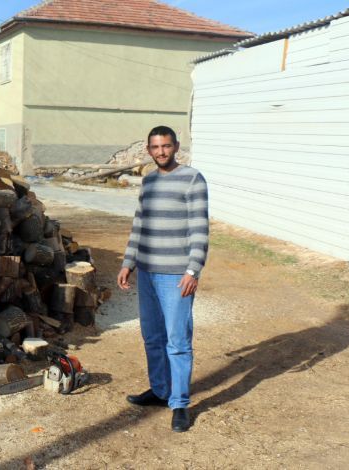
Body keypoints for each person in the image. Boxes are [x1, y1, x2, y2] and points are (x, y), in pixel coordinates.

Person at [117, 125, 209, 433]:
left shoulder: (193, 179)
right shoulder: (150, 180)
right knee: (152, 337)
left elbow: (199, 229)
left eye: (166, 146)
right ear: (149, 149)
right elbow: (139, 226)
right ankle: (159, 390)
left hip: (177, 277)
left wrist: (193, 270)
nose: (161, 152)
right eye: (155, 147)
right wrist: (128, 263)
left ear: (176, 146)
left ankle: (180, 403)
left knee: (178, 342)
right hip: (147, 272)